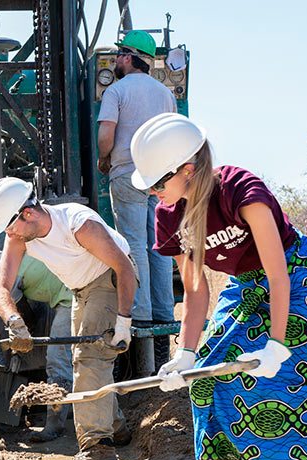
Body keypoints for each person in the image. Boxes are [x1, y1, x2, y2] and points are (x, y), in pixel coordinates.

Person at [134, 112, 307, 460]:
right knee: (204, 378)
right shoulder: (170, 214)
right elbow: (196, 287)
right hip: (243, 286)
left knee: (304, 385)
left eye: (157, 182)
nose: (153, 192)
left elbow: (279, 275)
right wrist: (184, 354)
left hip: (294, 283)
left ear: (186, 169)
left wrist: (277, 345)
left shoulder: (241, 189)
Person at [0, 177, 136, 460]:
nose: (8, 233)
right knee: (86, 361)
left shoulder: (79, 224)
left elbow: (124, 267)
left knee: (90, 358)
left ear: (27, 213)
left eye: (9, 225)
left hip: (110, 278)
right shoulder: (18, 235)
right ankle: (117, 430)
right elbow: (0, 288)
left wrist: (124, 321)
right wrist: (13, 321)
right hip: (79, 290)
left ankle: (98, 447)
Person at [97, 30, 177, 337]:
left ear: (129, 58)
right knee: (159, 246)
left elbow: (106, 136)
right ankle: (164, 312)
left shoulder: (116, 92)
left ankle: (141, 315)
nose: (116, 60)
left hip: (128, 175)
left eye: (119, 55)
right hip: (161, 179)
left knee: (134, 245)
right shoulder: (165, 94)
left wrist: (105, 160)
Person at [0, 239, 73, 441]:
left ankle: (55, 426)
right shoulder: (17, 254)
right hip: (70, 293)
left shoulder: (6, 275)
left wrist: (21, 337)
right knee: (79, 361)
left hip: (71, 298)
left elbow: (25, 317)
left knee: (58, 362)